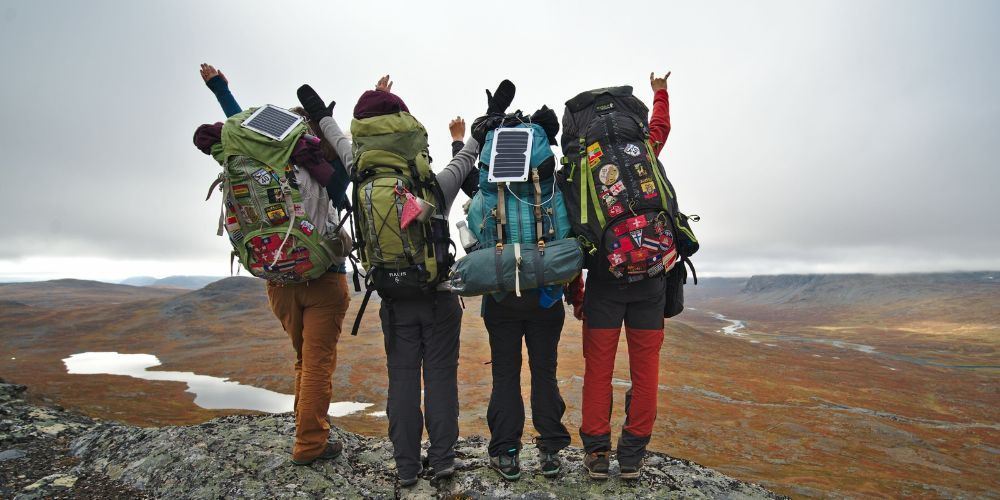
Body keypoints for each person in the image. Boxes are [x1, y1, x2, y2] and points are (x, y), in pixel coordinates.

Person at [296, 76, 480, 486]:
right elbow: (467, 157)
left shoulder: (358, 175)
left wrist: (319, 113)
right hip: (438, 297)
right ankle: (444, 460)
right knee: (440, 380)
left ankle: (407, 468)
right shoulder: (430, 183)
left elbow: (339, 139)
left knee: (401, 382)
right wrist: (485, 121)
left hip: (393, 300)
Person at [192, 68, 353, 466]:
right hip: (323, 277)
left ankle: (308, 426)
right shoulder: (325, 173)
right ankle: (311, 442)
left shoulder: (252, 158)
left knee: (303, 357)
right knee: (317, 361)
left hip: (276, 277)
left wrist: (221, 89)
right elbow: (349, 155)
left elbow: (236, 126)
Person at [462, 80, 572, 481]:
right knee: (545, 371)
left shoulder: (489, 190)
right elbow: (565, 234)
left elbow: (474, 227)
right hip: (546, 299)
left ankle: (506, 451)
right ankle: (549, 451)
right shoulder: (552, 188)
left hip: (501, 300)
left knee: (505, 373)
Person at [567, 71, 673, 480]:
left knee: (599, 371)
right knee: (646, 370)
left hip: (604, 285)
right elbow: (661, 127)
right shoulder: (642, 149)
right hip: (651, 280)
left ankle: (596, 454)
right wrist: (660, 93)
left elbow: (574, 235)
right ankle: (631, 457)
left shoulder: (580, 167)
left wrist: (577, 295)